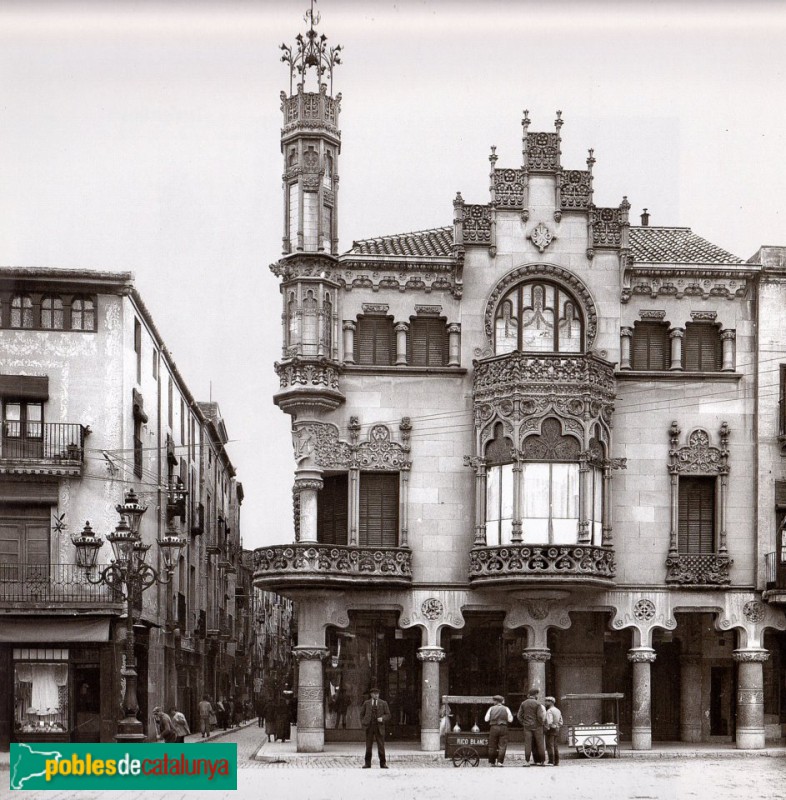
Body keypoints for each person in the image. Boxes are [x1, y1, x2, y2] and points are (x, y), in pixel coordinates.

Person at [360, 687, 391, 769]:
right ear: (371, 694)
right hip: (369, 727)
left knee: (381, 746)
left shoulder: (383, 703)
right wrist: (364, 722)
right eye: (374, 694)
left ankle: (383, 763)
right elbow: (361, 714)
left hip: (379, 727)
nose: (376, 695)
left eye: (377, 694)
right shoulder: (366, 703)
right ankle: (367, 763)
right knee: (368, 746)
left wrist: (382, 718)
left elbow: (388, 715)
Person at [516, 688, 546, 766]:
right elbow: (540, 716)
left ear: (529, 695)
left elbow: (519, 716)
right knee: (540, 744)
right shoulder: (538, 704)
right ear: (536, 694)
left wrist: (523, 722)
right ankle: (542, 761)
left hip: (527, 727)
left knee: (528, 744)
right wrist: (541, 723)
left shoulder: (523, 703)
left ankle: (527, 761)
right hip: (537, 726)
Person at [484, 695, 513, 767]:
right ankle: (500, 762)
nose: (493, 702)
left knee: (492, 745)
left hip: (493, 728)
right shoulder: (506, 708)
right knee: (502, 745)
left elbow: (486, 719)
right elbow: (510, 720)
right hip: (503, 727)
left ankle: (492, 762)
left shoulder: (491, 708)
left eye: (494, 701)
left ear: (496, 701)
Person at [543, 696, 563, 766]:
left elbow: (549, 722)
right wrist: (557, 726)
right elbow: (561, 722)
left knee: (549, 745)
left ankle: (551, 761)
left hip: (550, 729)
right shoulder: (558, 710)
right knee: (555, 745)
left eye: (546, 701)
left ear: (551, 702)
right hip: (556, 729)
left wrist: (547, 727)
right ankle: (556, 761)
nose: (545, 702)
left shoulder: (549, 711)